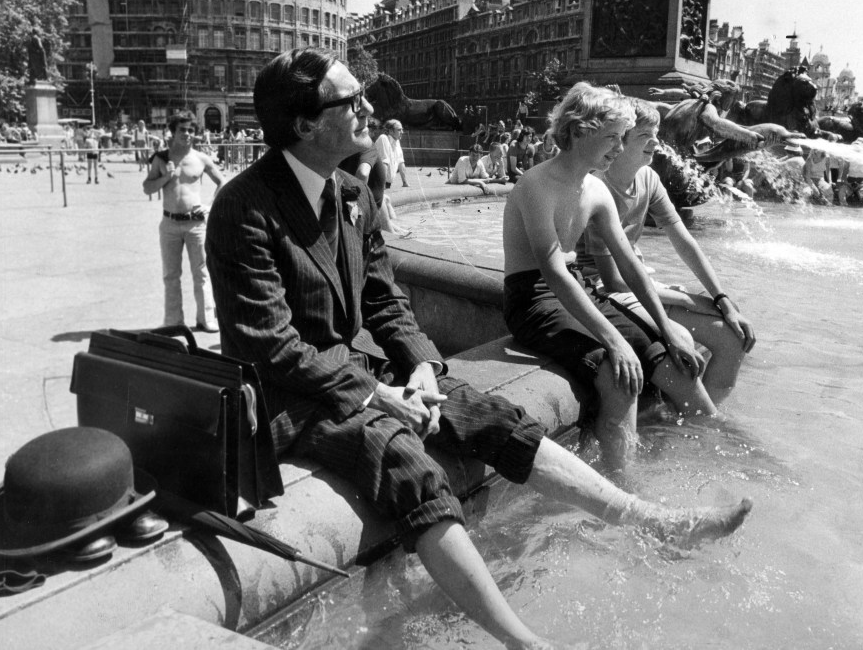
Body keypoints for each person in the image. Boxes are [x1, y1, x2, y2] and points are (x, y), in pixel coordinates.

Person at [206, 49, 751, 650]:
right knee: (402, 457)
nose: (368, 108)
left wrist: (423, 368)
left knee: (492, 416)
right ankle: (524, 643)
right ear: (306, 125)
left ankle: (650, 521)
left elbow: (386, 303)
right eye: (350, 101)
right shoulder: (243, 208)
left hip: (352, 371)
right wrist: (378, 394)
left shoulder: (350, 193)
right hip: (286, 396)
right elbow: (271, 345)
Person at [503, 83, 719, 467]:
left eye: (623, 138)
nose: (620, 148)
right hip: (533, 299)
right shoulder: (536, 185)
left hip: (578, 290)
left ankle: (716, 444)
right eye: (613, 138)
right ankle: (625, 488)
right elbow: (553, 272)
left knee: (672, 361)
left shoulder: (595, 190)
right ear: (580, 129)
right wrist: (615, 340)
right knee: (619, 374)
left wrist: (665, 328)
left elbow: (630, 265)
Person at [578, 97, 756, 412]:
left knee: (732, 337)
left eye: (657, 134)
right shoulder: (596, 187)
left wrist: (721, 299)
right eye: (646, 136)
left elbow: (684, 240)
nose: (657, 143)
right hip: (606, 291)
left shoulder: (649, 178)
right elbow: (614, 282)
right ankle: (698, 417)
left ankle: (690, 423)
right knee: (685, 342)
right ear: (621, 140)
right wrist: (686, 299)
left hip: (640, 284)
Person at [142, 110, 225, 332]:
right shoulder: (162, 159)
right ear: (173, 131)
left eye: (190, 130)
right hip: (169, 223)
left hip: (196, 223)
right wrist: (166, 177)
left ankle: (206, 318)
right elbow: (147, 187)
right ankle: (173, 321)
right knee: (171, 274)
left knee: (202, 272)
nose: (186, 134)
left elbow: (222, 182)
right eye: (182, 130)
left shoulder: (201, 158)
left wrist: (210, 207)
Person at [837, 137, 863, 208]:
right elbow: (844, 175)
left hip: (862, 183)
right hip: (849, 182)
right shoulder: (849, 158)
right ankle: (844, 211)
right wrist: (847, 183)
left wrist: (861, 185)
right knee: (841, 194)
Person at [375, 119, 409, 188]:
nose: (402, 132)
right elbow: (384, 162)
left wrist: (405, 182)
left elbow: (401, 162)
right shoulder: (383, 138)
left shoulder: (397, 142)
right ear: (390, 131)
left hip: (387, 184)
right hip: (378, 183)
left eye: (402, 129)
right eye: (399, 130)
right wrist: (382, 185)